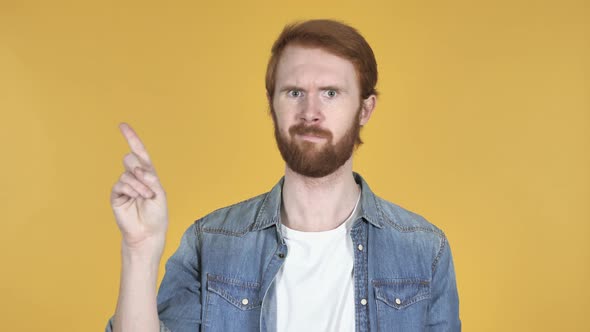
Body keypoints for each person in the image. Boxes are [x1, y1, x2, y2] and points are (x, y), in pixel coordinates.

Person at [105, 19, 461, 332]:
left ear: (365, 109)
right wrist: (139, 249)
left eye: (331, 93)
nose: (310, 113)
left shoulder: (424, 250)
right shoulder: (209, 243)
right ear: (272, 104)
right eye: (294, 93)